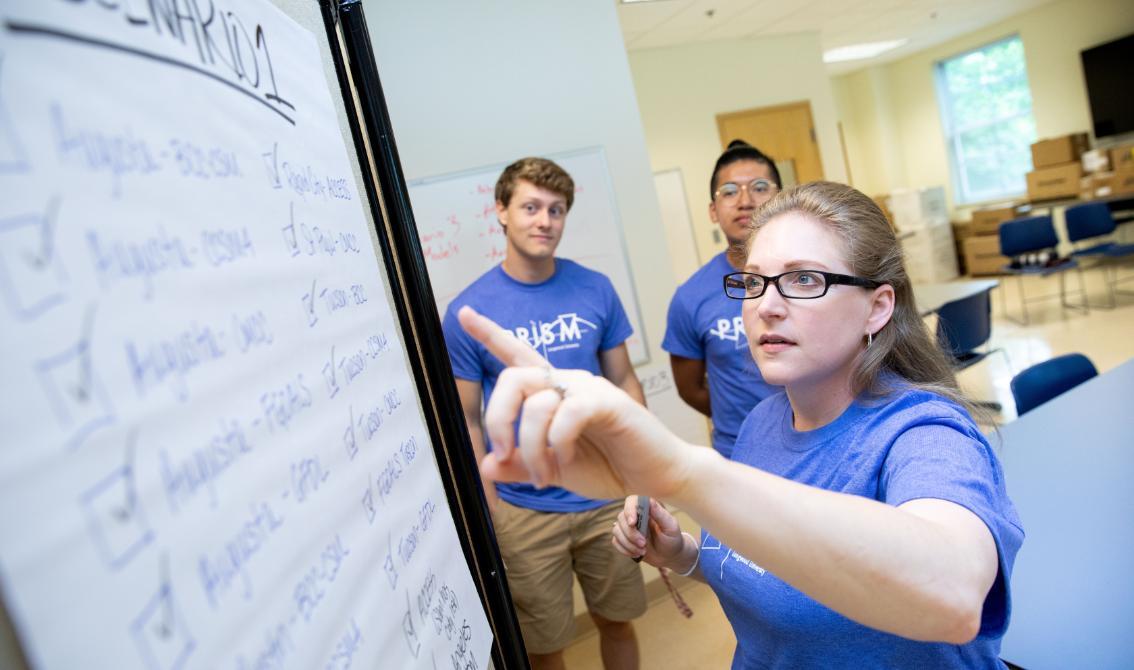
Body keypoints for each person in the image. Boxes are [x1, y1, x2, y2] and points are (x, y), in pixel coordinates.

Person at [455, 181, 1024, 669]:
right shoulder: (761, 424)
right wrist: (685, 554)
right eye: (754, 281)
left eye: (804, 280)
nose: (766, 305)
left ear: (877, 307)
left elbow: (953, 594)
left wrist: (685, 474)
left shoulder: (924, 433)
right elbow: (772, 571)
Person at [441, 157, 647, 670]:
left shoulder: (595, 288)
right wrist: (490, 509)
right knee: (544, 646)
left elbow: (624, 381)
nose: (545, 221)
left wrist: (639, 475)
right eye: (530, 207)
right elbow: (467, 418)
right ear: (502, 212)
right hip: (524, 508)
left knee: (617, 621)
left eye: (556, 210)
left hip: (603, 495)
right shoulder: (470, 311)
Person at [664, 140, 782, 457]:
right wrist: (745, 422)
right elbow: (690, 389)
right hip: (742, 454)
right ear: (713, 211)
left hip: (824, 441)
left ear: (782, 199)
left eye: (759, 187)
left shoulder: (814, 277)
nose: (745, 201)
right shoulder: (691, 297)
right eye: (729, 192)